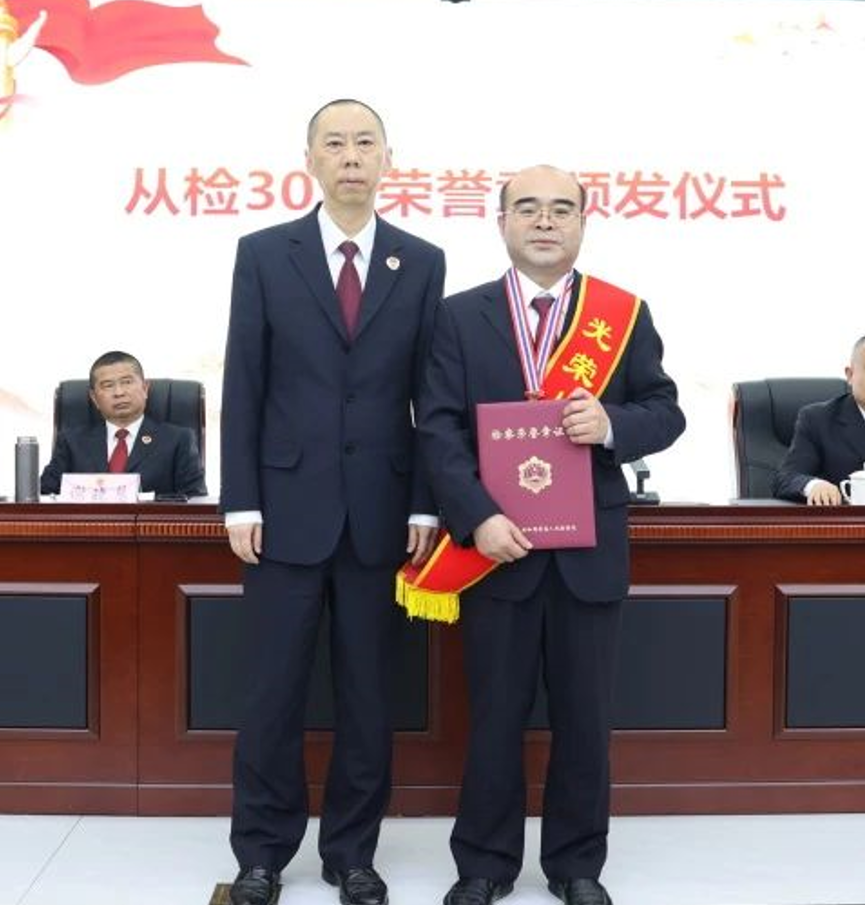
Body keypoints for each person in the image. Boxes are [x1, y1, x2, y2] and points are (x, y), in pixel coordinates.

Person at [417, 165, 685, 905]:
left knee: (585, 720)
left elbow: (665, 411)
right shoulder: (457, 316)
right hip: (494, 550)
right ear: (501, 221)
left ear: (582, 223)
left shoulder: (621, 314)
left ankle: (576, 865)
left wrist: (612, 423)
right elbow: (437, 427)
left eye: (561, 209)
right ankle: (483, 865)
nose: (544, 221)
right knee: (493, 717)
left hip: (588, 553)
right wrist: (476, 516)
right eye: (528, 208)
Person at [220, 98, 445, 905]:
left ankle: (353, 852)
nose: (351, 156)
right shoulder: (264, 253)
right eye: (335, 144)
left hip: (381, 513)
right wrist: (239, 499)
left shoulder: (421, 261)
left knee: (368, 695)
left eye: (365, 143)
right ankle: (261, 853)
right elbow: (244, 380)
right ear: (309, 159)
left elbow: (430, 393)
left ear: (388, 159)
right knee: (271, 693)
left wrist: (424, 504)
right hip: (282, 510)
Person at [40, 349, 206, 497]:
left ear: (145, 388)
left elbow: (196, 501)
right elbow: (44, 495)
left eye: (127, 382)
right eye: (108, 385)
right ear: (94, 398)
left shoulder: (178, 440)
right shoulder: (71, 442)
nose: (119, 392)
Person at [773, 335, 865, 505]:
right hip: (845, 520)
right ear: (850, 375)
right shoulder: (817, 419)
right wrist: (813, 485)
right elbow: (786, 478)